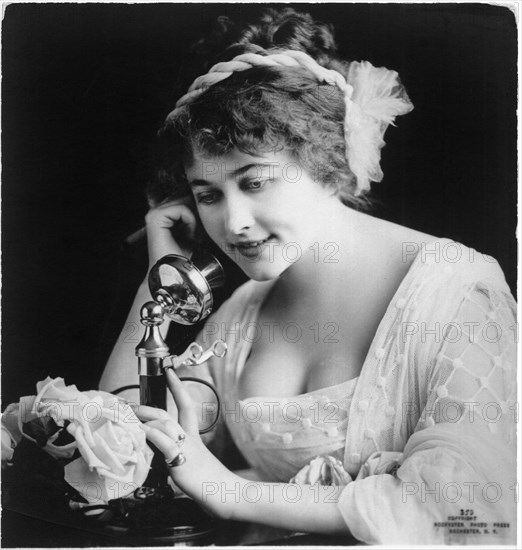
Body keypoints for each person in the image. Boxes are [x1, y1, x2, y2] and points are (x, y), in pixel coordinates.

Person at [99, 8, 517, 545]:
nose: (233, 223)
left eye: (255, 183)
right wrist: (159, 279)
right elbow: (123, 449)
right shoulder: (244, 311)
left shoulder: (458, 289)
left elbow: (469, 512)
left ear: (327, 164)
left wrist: (230, 493)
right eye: (207, 194)